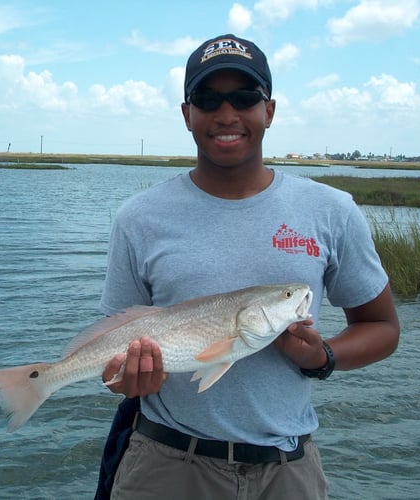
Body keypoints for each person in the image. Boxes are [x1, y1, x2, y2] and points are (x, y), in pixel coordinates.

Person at [94, 34, 400, 500]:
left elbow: (382, 326)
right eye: (207, 99)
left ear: (269, 111)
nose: (226, 114)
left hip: (287, 469)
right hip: (166, 465)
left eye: (244, 98)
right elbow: (114, 354)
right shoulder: (137, 217)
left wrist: (323, 358)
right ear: (186, 114)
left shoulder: (332, 210)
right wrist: (128, 381)